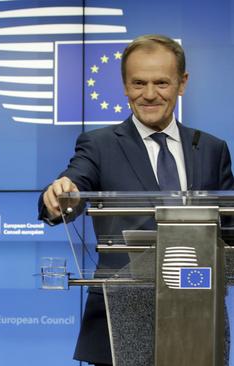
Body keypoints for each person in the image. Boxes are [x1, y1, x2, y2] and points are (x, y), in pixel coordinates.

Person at [38, 34, 234, 365]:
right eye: (138, 83)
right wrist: (61, 191)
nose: (149, 94)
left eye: (161, 82)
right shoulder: (99, 145)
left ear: (182, 84)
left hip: (198, 323)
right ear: (125, 86)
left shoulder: (212, 149)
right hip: (118, 325)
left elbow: (229, 232)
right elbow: (74, 181)